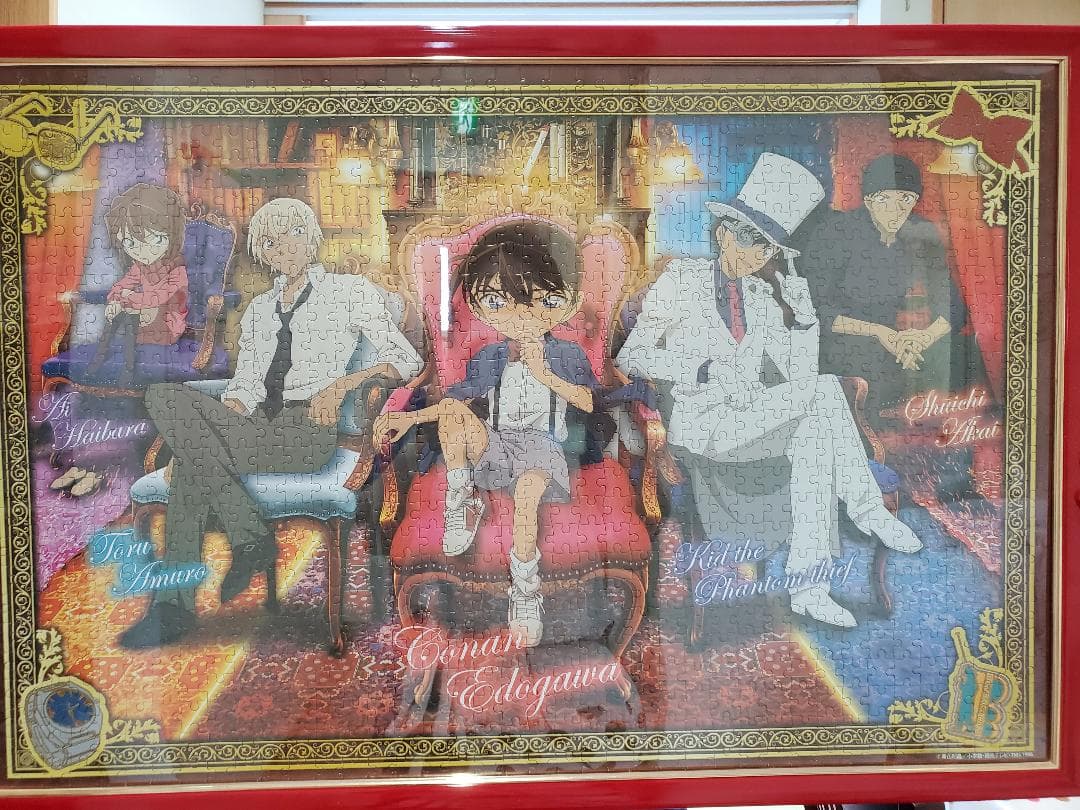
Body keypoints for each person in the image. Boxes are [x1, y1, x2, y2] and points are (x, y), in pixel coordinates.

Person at [616, 153, 922, 629]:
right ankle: (865, 509)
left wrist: (804, 318)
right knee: (822, 396)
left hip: (752, 419)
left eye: (768, 248)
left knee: (815, 429)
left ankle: (809, 586)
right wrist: (699, 368)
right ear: (724, 234)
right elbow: (631, 356)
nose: (758, 256)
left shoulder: (761, 298)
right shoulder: (681, 280)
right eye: (750, 241)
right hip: (703, 428)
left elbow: (799, 375)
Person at [119, 198, 423, 649]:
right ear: (261, 252)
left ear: (312, 237)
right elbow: (244, 388)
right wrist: (210, 429)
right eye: (270, 240)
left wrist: (342, 385)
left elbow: (407, 359)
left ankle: (174, 607)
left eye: (292, 233)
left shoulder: (349, 292)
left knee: (189, 466)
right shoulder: (259, 310)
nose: (283, 246)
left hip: (306, 431)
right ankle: (248, 537)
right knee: (162, 396)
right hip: (257, 425)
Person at [373, 222, 602, 647]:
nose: (521, 316)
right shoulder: (490, 356)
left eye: (540, 300)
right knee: (453, 411)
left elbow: (590, 404)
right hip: (498, 444)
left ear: (567, 301)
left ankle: (525, 593)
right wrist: (410, 419)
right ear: (480, 306)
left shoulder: (567, 354)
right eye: (500, 301)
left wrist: (545, 374)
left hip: (544, 450)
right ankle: (461, 500)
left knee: (527, 496)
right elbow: (458, 399)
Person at [798, 153, 984, 424]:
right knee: (869, 363)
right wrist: (881, 333)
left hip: (895, 343)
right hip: (837, 340)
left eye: (905, 199)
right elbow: (815, 310)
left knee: (966, 356)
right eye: (884, 198)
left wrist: (923, 339)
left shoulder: (921, 231)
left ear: (915, 201)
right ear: (868, 200)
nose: (895, 209)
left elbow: (953, 306)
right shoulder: (836, 232)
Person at [85, 183, 188, 388]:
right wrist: (116, 300)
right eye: (130, 243)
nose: (141, 251)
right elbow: (121, 285)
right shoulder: (140, 267)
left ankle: (127, 369)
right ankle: (100, 359)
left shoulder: (178, 272)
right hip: (144, 325)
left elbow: (156, 298)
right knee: (124, 308)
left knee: (131, 309)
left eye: (155, 239)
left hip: (168, 327)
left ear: (171, 234)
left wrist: (127, 299)